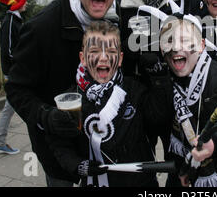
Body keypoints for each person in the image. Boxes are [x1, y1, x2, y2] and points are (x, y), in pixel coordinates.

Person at [5, 0, 121, 187]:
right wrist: (45, 116)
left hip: (104, 149)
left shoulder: (114, 24)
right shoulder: (41, 28)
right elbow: (16, 89)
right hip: (59, 152)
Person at [139, 2, 217, 187]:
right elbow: (155, 120)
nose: (175, 47)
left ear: (201, 46)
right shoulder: (166, 80)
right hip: (184, 174)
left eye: (185, 40)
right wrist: (158, 81)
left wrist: (216, 144)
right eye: (168, 41)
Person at [47, 20, 170, 186]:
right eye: (95, 51)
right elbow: (60, 145)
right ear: (83, 58)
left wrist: (159, 80)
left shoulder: (135, 89)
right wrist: (78, 166)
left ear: (119, 59)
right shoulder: (71, 98)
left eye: (111, 51)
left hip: (140, 182)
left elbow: (158, 119)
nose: (103, 58)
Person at [0, 0, 32, 154]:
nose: (27, 2)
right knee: (10, 107)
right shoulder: (10, 22)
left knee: (12, 107)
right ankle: (0, 141)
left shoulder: (15, 19)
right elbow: (9, 51)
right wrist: (22, 65)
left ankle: (0, 141)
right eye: (24, 0)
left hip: (16, 72)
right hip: (14, 73)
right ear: (17, 3)